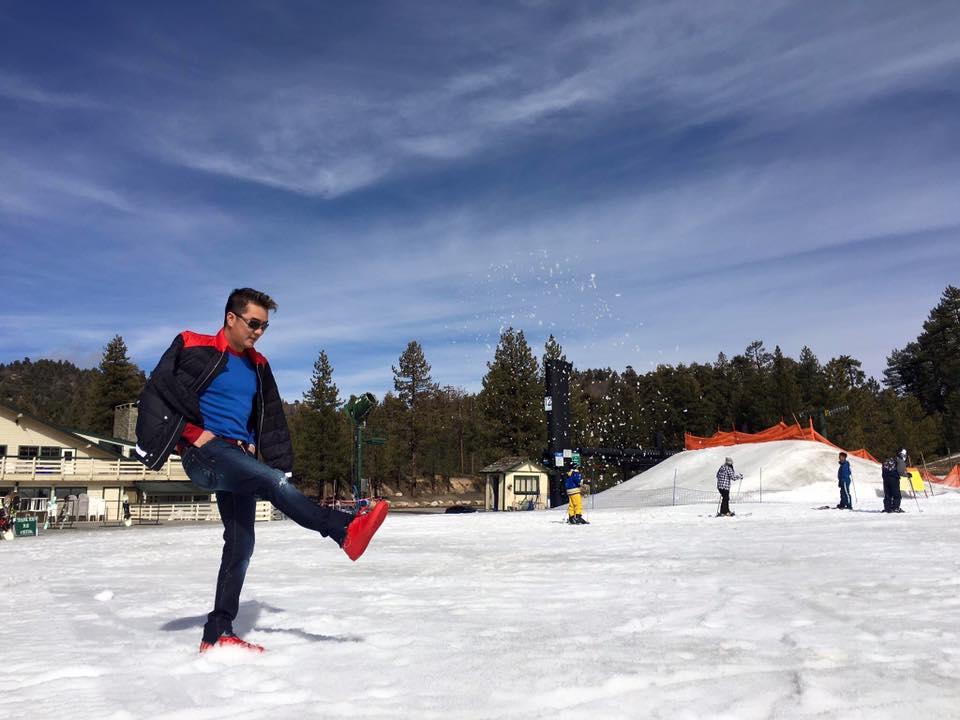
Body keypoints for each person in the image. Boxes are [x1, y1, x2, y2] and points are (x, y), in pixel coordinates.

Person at [135, 287, 389, 654]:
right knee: (270, 482)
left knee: (241, 544)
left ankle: (217, 632)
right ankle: (344, 529)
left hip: (238, 457)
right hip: (204, 454)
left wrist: (262, 449)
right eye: (254, 323)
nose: (258, 332)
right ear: (231, 318)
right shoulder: (192, 345)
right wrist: (190, 434)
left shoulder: (258, 365)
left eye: (264, 327)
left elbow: (270, 416)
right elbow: (157, 391)